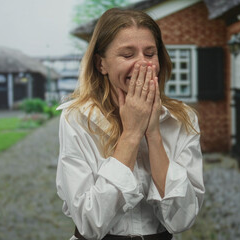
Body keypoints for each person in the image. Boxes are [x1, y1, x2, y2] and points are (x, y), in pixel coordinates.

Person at [56, 8, 205, 240]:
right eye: (127, 55)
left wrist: (153, 134)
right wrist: (132, 134)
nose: (142, 64)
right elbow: (89, 222)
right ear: (101, 64)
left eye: (150, 53)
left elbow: (182, 219)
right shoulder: (77, 119)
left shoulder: (182, 119)